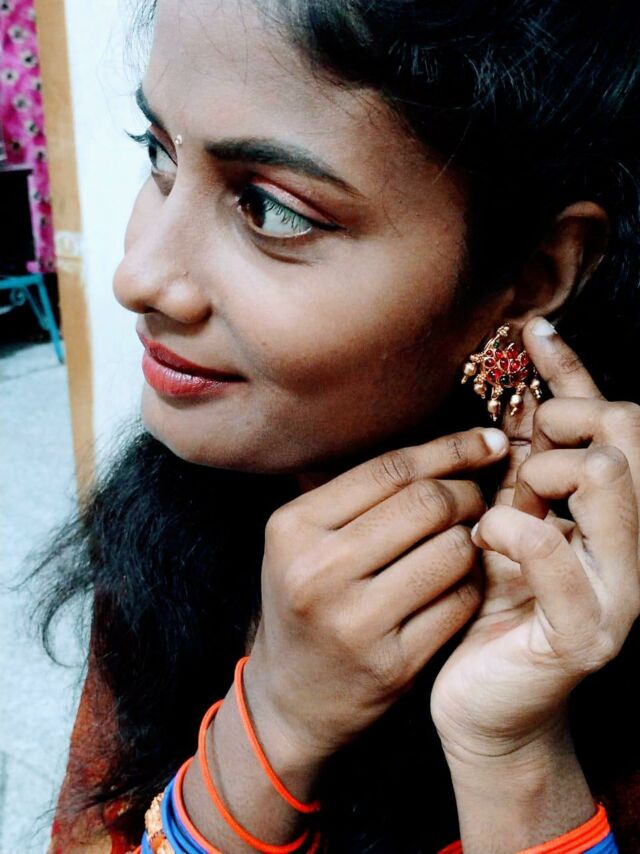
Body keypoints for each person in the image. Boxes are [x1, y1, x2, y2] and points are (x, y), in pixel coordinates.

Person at [33, 0, 640, 851]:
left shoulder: (602, 594)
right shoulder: (173, 519)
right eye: (160, 155)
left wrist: (511, 751)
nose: (138, 275)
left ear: (534, 276)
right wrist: (273, 724)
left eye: (273, 210)